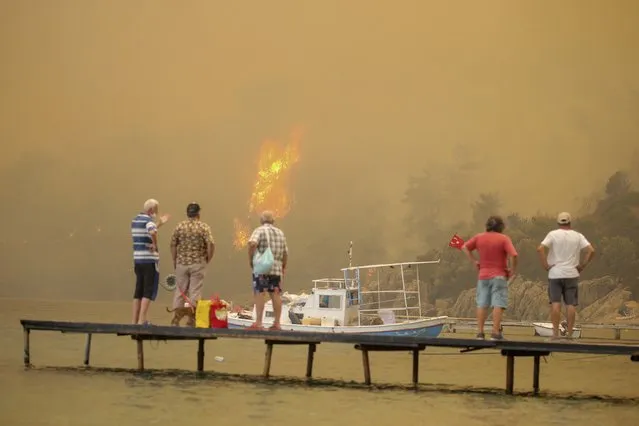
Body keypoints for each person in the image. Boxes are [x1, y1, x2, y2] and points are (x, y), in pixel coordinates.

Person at [537, 212, 595, 340]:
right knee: (570, 304)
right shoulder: (578, 236)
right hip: (572, 274)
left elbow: (540, 248)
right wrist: (582, 266)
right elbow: (591, 250)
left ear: (558, 223)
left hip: (555, 274)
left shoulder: (552, 234)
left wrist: (546, 265)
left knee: (555, 304)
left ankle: (555, 334)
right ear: (570, 223)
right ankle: (569, 335)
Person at [462, 215, 518, 340]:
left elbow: (464, 247)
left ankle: (480, 333)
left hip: (483, 276)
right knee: (498, 304)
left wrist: (474, 261)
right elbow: (514, 255)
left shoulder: (479, 237)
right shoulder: (504, 239)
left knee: (482, 304)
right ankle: (495, 333)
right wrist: (512, 271)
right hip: (499, 276)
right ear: (501, 226)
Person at [169, 202, 215, 326]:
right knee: (195, 292)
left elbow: (173, 244)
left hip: (181, 263)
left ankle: (175, 319)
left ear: (187, 213)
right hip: (198, 263)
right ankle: (192, 320)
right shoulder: (204, 227)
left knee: (180, 292)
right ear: (198, 214)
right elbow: (210, 244)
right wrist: (207, 259)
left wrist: (174, 260)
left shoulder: (179, 226)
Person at [247, 210, 288, 330]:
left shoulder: (259, 230)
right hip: (276, 269)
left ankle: (259, 323)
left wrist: (251, 259)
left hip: (262, 267)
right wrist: (283, 266)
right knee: (275, 294)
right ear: (273, 221)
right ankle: (277, 323)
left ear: (261, 220)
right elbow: (285, 253)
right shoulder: (280, 233)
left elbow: (252, 244)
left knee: (260, 292)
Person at [131, 198, 170, 325]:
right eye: (156, 210)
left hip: (137, 260)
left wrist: (159, 223)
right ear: (151, 210)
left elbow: (149, 230)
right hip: (149, 261)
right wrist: (155, 244)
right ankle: (142, 320)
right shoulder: (148, 220)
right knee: (148, 290)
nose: (156, 213)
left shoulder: (135, 220)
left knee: (138, 290)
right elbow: (152, 231)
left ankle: (134, 321)